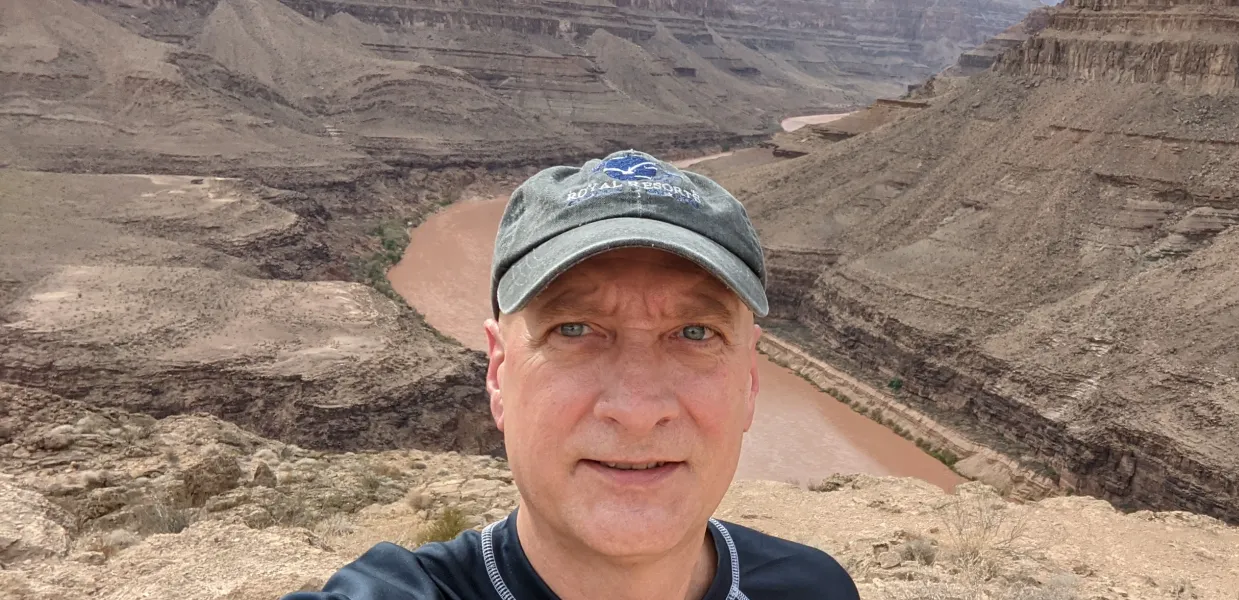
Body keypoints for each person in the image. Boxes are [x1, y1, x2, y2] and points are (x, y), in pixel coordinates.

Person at [282, 150, 860, 600]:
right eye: (575, 330)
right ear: (499, 372)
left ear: (750, 382)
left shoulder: (816, 589)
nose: (636, 408)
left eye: (694, 333)